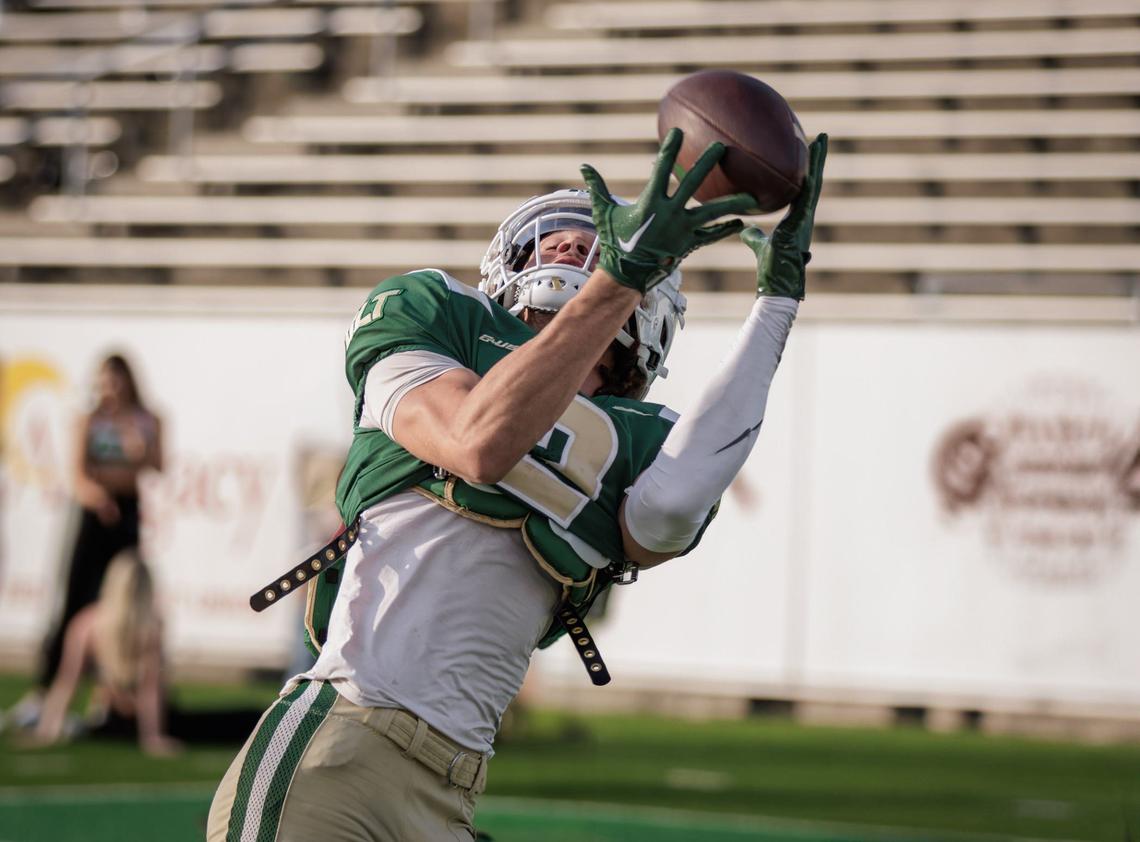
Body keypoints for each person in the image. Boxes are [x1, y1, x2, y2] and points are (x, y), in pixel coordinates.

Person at [207, 128, 828, 842]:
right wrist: (619, 278)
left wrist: (776, 306)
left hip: (454, 786)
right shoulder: (435, 314)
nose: (569, 245)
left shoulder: (642, 433)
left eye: (595, 241)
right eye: (553, 238)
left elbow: (668, 514)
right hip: (342, 742)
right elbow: (477, 444)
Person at [10, 353, 163, 730]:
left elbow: (156, 464)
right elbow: (77, 475)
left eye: (115, 380)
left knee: (125, 604)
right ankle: (45, 694)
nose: (109, 388)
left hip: (126, 516)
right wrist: (101, 498)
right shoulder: (88, 420)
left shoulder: (146, 419)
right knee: (76, 601)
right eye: (103, 381)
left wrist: (129, 434)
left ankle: (109, 696)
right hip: (95, 518)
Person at [28, 549, 182, 757]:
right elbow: (149, 689)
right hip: (120, 718)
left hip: (112, 719)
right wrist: (152, 737)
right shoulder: (141, 626)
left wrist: (48, 729)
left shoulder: (92, 623)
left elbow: (67, 682)